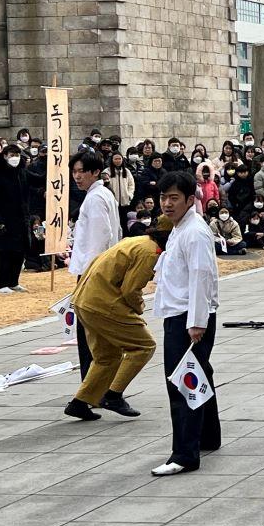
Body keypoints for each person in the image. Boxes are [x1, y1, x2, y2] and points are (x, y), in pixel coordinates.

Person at [63, 219, 172, 421]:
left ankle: (79, 403)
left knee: (107, 356)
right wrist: (138, 308)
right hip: (103, 302)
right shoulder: (150, 252)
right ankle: (113, 395)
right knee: (144, 346)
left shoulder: (138, 240)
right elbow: (131, 289)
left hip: (84, 300)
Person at [151, 170, 221, 476]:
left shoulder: (194, 231)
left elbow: (201, 277)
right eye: (163, 197)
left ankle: (185, 453)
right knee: (199, 373)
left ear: (190, 200)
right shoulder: (180, 227)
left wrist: (196, 321)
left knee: (183, 383)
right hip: (179, 313)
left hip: (188, 319)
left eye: (174, 198)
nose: (167, 204)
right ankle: (207, 436)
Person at [69, 151, 123, 379]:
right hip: (97, 269)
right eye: (74, 172)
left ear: (95, 172)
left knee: (90, 332)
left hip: (94, 271)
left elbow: (102, 235)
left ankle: (92, 384)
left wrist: (92, 272)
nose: (77, 176)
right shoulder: (101, 194)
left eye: (82, 171)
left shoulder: (96, 198)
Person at [0, 145, 34, 294]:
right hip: (5, 220)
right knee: (5, 253)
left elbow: (35, 181)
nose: (15, 157)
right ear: (5, 156)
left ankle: (13, 281)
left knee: (19, 252)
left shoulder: (22, 172)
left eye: (17, 154)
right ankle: (0, 284)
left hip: (21, 219)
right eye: (11, 154)